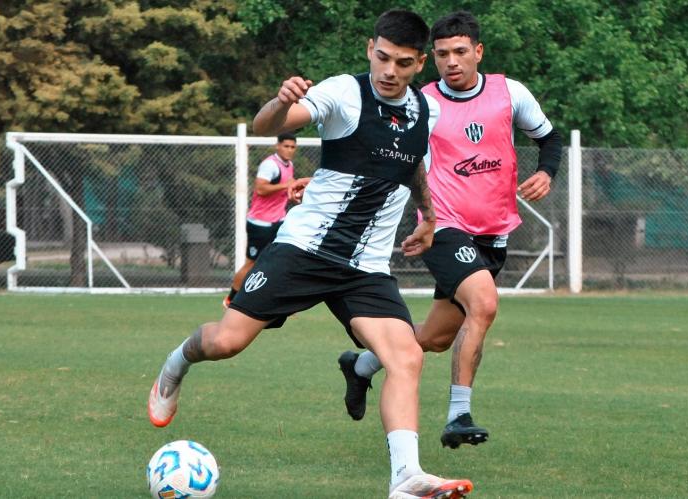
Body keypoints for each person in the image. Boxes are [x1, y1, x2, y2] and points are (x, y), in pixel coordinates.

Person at [148, 8, 474, 499]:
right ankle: (175, 365)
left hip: (364, 267)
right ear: (370, 49)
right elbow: (266, 126)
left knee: (406, 356)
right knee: (226, 343)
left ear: (419, 64)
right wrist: (280, 104)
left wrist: (428, 218)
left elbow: (414, 168)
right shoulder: (344, 92)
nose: (389, 71)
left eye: (403, 63)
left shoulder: (426, 112)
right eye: (382, 58)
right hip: (304, 249)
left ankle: (405, 478)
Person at [337, 10, 563, 450]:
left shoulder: (510, 93)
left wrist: (547, 172)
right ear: (431, 59)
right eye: (441, 55)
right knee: (485, 302)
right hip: (442, 226)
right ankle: (459, 413)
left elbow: (548, 139)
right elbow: (384, 151)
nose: (451, 62)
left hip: (493, 232)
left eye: (460, 52)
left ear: (478, 52)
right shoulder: (422, 103)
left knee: (437, 338)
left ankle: (361, 366)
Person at [223, 132, 298, 308]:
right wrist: (286, 185)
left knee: (281, 258)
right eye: (286, 146)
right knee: (252, 262)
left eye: (292, 147)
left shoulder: (289, 165)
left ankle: (275, 299)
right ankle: (231, 299)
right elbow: (261, 189)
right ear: (277, 146)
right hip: (260, 222)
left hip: (279, 220)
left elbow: (283, 191)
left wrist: (293, 194)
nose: (289, 150)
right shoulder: (270, 165)